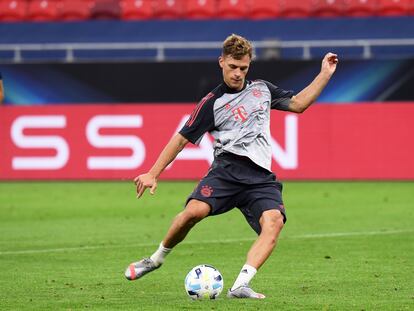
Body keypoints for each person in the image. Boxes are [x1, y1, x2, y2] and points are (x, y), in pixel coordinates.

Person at [125, 34, 338, 299]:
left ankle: (240, 286)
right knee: (192, 213)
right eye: (233, 67)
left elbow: (299, 104)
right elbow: (181, 139)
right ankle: (156, 259)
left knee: (273, 223)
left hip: (260, 177)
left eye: (243, 68)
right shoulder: (212, 103)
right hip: (226, 172)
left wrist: (324, 74)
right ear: (221, 62)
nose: (238, 73)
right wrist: (153, 173)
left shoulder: (262, 89)